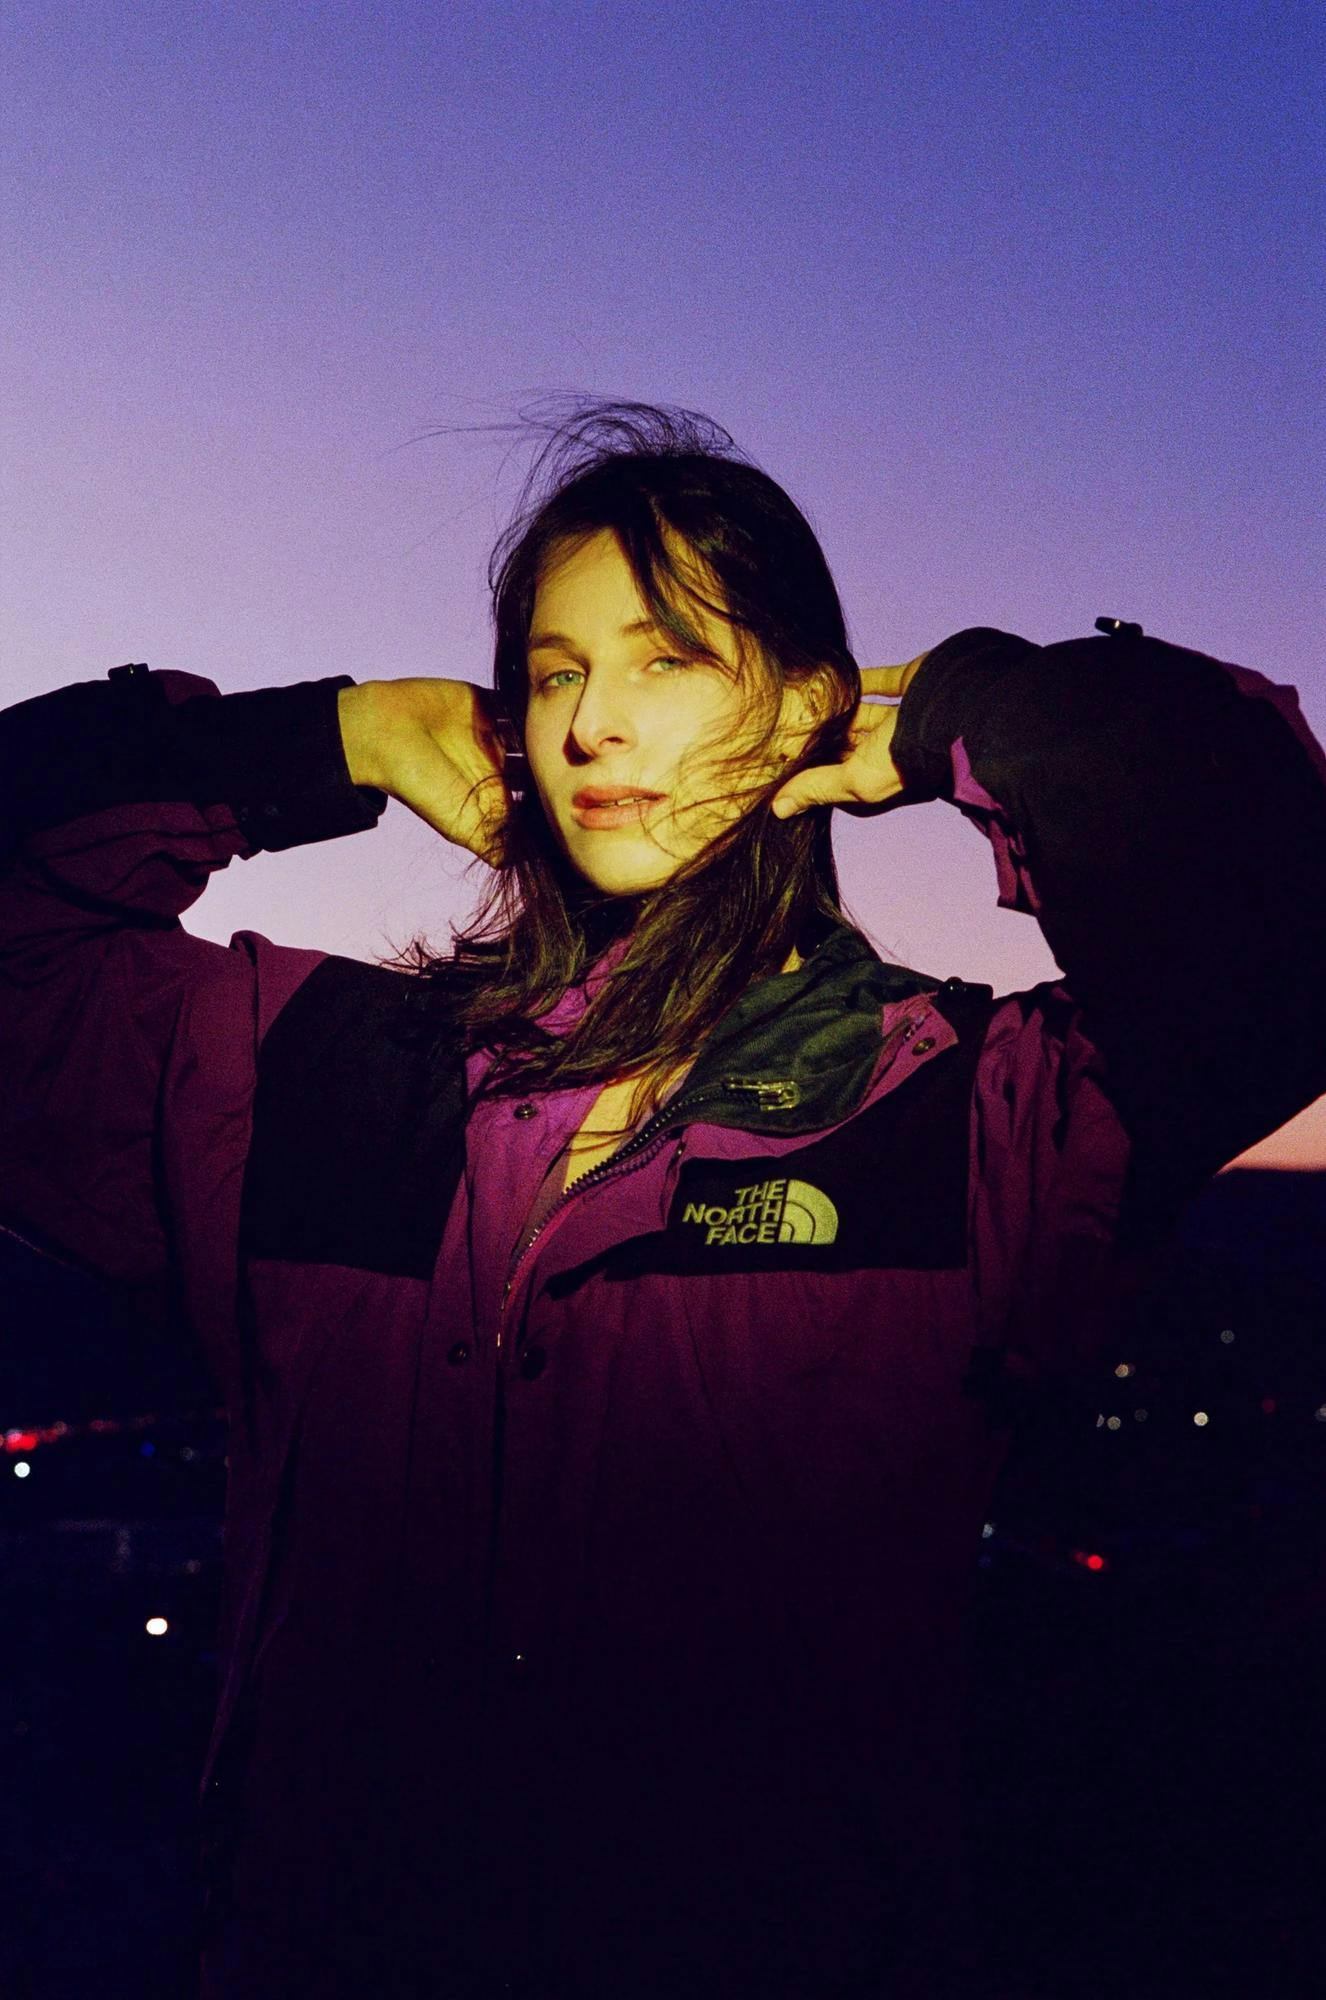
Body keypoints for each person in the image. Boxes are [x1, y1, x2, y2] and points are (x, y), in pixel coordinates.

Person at [2, 400, 1325, 1999]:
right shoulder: (293, 1069)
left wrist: (973, 706)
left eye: (669, 658)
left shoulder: (972, 1116)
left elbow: (1274, 919)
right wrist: (317, 738)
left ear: (806, 703)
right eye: (553, 671)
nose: (591, 727)